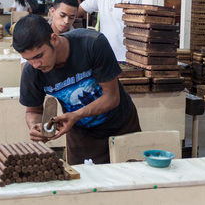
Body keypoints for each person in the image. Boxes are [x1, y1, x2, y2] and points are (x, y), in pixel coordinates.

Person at [13, 14, 141, 165]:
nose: (35, 64)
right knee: (85, 184)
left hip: (122, 125)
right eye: (28, 59)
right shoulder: (32, 72)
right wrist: (35, 126)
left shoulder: (92, 43)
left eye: (39, 56)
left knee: (132, 180)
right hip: (82, 136)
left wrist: (75, 115)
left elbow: (112, 97)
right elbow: (33, 111)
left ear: (54, 39)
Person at [20, 0, 78, 70]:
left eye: (71, 17)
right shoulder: (36, 33)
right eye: (62, 15)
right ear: (52, 11)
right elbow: (25, 67)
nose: (66, 21)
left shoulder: (77, 39)